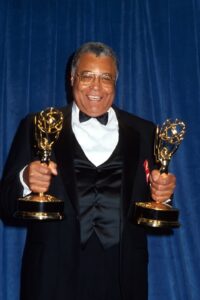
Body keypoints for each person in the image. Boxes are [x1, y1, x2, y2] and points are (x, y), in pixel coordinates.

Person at [0, 42, 176, 300]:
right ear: (72, 78)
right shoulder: (37, 124)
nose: (96, 87)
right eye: (87, 76)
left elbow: (156, 208)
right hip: (51, 278)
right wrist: (25, 180)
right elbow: (5, 203)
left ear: (115, 82)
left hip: (123, 279)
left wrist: (163, 195)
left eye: (106, 78)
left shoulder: (145, 131)